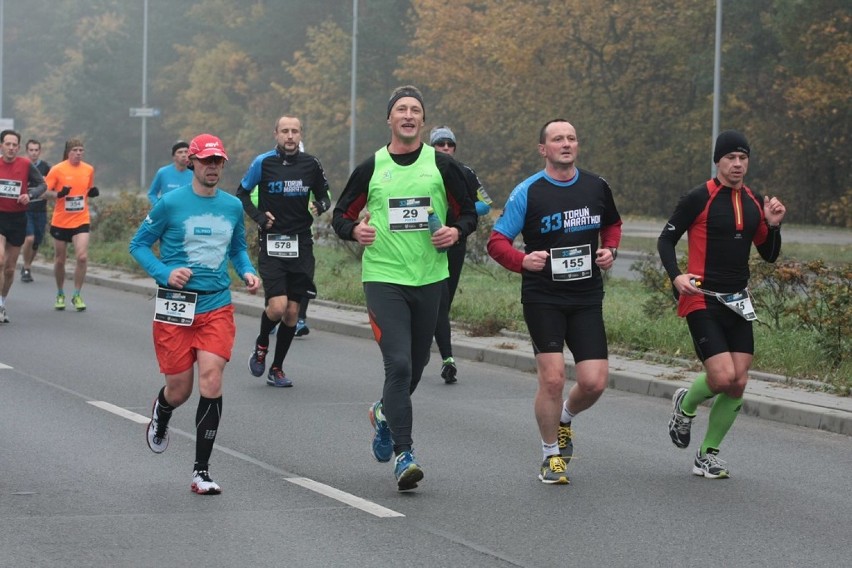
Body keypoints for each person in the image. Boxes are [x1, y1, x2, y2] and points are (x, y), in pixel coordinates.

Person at [332, 85, 477, 491]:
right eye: (401, 109)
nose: (409, 115)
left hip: (430, 278)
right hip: (383, 278)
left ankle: (382, 412)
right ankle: (405, 454)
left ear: (423, 122)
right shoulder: (372, 167)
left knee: (415, 366)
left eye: (415, 110)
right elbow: (340, 215)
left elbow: (469, 215)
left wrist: (454, 231)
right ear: (390, 119)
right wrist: (354, 229)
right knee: (397, 365)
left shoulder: (444, 167)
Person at [487, 119, 622, 485]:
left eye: (572, 138)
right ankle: (551, 456)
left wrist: (610, 249)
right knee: (553, 378)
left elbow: (612, 225)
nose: (566, 144)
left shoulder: (597, 186)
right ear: (543, 149)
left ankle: (564, 418)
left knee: (594, 382)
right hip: (543, 297)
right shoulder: (528, 192)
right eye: (557, 139)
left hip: (586, 296)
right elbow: (496, 242)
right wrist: (522, 260)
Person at [129, 133, 260, 495]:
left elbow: (237, 250)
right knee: (180, 389)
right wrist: (164, 273)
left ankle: (201, 471)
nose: (213, 167)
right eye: (207, 161)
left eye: (219, 162)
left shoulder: (232, 206)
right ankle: (163, 411)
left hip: (216, 303)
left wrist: (247, 271)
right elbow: (138, 244)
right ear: (192, 164)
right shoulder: (170, 204)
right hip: (176, 306)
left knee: (212, 380)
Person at [659, 130, 786, 479]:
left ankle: (707, 454)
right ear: (718, 161)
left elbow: (770, 254)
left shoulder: (754, 201)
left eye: (743, 158)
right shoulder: (698, 198)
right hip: (701, 297)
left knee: (738, 381)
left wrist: (774, 226)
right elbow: (666, 239)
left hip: (737, 300)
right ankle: (685, 406)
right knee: (721, 376)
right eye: (730, 157)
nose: (737, 164)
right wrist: (676, 276)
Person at [238, 116, 330, 387]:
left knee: (292, 313)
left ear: (301, 134)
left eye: (295, 131)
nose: (290, 136)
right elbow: (242, 193)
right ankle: (262, 344)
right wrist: (259, 217)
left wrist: (320, 206)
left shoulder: (311, 164)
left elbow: (324, 195)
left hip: (301, 244)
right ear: (276, 134)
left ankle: (276, 368)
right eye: (285, 131)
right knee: (277, 307)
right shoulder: (263, 163)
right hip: (273, 242)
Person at [428, 125, 492, 383]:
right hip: (427, 244)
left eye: (449, 145)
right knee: (437, 302)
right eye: (440, 144)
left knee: (444, 302)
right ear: (431, 147)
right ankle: (447, 359)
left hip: (456, 241)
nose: (445, 149)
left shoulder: (465, 172)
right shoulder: (423, 171)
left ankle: (435, 351)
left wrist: (463, 211)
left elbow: (486, 204)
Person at [44, 138, 97, 311]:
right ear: (68, 152)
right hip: (60, 221)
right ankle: (60, 293)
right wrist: (60, 193)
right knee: (60, 260)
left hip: (81, 219)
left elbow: (87, 189)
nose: (78, 153)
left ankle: (76, 294)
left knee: (82, 257)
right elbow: (44, 193)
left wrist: (92, 192)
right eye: (75, 150)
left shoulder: (88, 169)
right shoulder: (57, 169)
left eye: (81, 150)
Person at [0, 130, 47, 323]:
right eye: (7, 144)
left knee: (10, 268)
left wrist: (30, 194)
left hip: (18, 219)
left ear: (18, 147)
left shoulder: (25, 164)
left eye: (14, 145)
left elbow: (42, 185)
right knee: (0, 260)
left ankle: (2, 303)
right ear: (1, 145)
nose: (11, 148)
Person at [20, 139, 51, 283]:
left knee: (36, 241)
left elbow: (51, 188)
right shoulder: (22, 166)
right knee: (29, 238)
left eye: (36, 150)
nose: (33, 153)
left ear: (40, 151)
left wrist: (50, 193)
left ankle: (28, 265)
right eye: (31, 150)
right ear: (27, 151)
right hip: (26, 209)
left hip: (40, 210)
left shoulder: (46, 168)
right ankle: (26, 267)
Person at [147, 140, 192, 207]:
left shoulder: (196, 173)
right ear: (174, 156)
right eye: (180, 152)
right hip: (168, 214)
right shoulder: (163, 172)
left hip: (189, 213)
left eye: (186, 152)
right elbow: (152, 194)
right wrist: (158, 206)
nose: (183, 155)